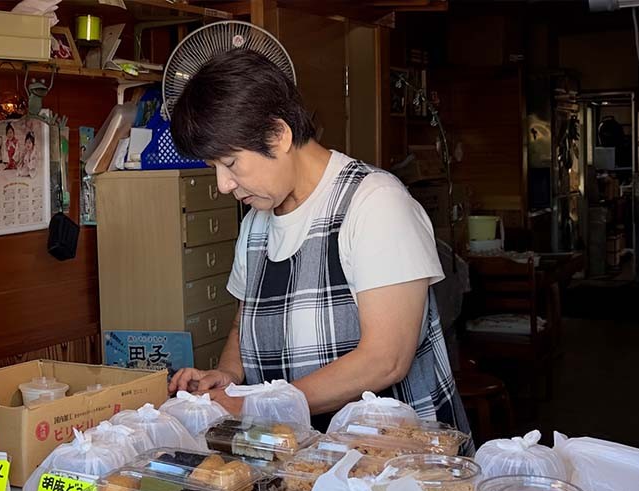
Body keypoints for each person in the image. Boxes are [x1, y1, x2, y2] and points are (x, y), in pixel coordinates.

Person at [168, 49, 469, 435]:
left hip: (396, 463)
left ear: (278, 135)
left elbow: (386, 359)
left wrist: (254, 404)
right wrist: (227, 376)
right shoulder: (257, 222)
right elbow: (244, 325)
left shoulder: (375, 203)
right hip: (301, 457)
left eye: (230, 164)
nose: (224, 185)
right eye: (215, 169)